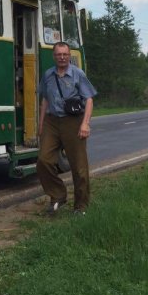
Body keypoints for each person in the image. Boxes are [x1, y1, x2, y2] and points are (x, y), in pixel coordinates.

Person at [36, 41, 97, 215]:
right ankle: (58, 196)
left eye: (65, 54)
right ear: (53, 56)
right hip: (52, 121)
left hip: (73, 122)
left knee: (79, 167)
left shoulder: (78, 74)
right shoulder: (48, 75)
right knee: (44, 161)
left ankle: (81, 206)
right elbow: (45, 100)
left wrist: (85, 123)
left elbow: (89, 100)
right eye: (58, 54)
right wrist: (41, 125)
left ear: (69, 56)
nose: (62, 57)